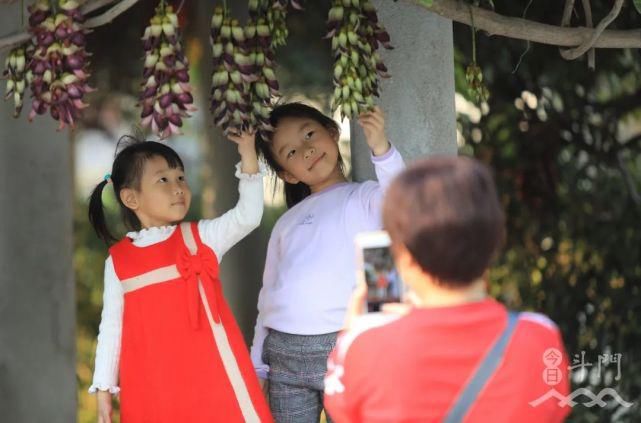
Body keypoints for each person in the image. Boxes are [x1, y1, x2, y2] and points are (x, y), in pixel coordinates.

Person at [324, 156, 571, 422]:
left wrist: (350, 334)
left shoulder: (363, 345)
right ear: (496, 240)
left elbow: (345, 413)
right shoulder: (539, 338)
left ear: (403, 257)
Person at [87, 134, 272, 422]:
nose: (178, 188)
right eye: (163, 180)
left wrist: (248, 154)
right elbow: (111, 327)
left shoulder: (201, 237)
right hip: (153, 385)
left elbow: (247, 216)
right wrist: (102, 390)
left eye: (181, 177)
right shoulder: (119, 260)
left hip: (211, 376)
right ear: (130, 197)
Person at [250, 103, 405, 422]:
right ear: (287, 174)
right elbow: (268, 297)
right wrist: (258, 366)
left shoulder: (365, 198)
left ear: (332, 132)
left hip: (348, 351)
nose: (306, 150)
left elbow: (404, 202)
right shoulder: (287, 223)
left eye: (309, 134)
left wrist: (381, 148)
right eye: (290, 152)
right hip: (284, 359)